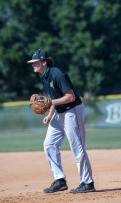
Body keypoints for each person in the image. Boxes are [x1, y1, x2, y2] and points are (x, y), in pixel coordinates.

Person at [27, 49, 95, 194]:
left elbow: (70, 97)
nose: (33, 65)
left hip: (72, 110)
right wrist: (50, 114)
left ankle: (88, 183)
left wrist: (50, 102)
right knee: (49, 144)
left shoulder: (58, 74)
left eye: (35, 62)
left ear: (44, 62)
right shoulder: (44, 76)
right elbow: (53, 98)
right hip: (59, 112)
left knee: (77, 147)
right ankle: (60, 180)